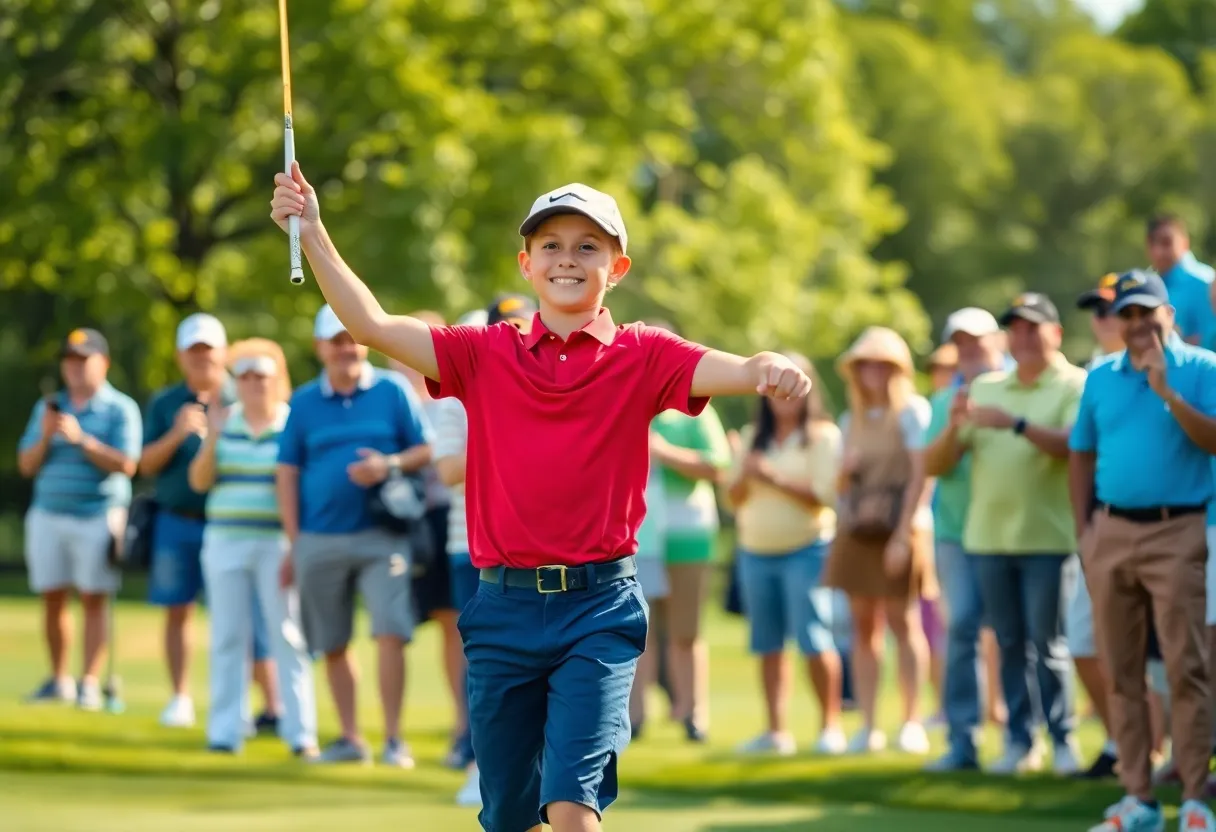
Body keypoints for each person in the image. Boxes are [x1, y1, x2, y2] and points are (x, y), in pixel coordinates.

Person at [269, 167, 811, 832]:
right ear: (526, 264)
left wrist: (767, 367)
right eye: (551, 245)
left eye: (588, 246)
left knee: (571, 803)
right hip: (503, 608)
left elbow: (732, 367)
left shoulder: (645, 354)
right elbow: (372, 324)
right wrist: (314, 230)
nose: (567, 259)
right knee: (509, 816)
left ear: (618, 266)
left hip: (599, 609)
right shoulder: (482, 353)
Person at [1069, 269, 1216, 832]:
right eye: (1126, 314)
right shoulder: (1101, 377)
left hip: (1177, 529)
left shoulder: (1201, 369)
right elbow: (1081, 453)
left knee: (1186, 665)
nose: (1135, 324)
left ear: (1169, 315)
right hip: (1112, 532)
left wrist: (1167, 393)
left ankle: (1196, 799)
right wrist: (1085, 532)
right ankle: (1138, 799)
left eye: (1145, 313)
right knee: (1120, 670)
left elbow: (1213, 441)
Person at [929, 293, 1086, 775]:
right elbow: (938, 465)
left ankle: (1063, 740)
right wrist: (955, 428)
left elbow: (1071, 447)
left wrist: (1015, 424)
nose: (1023, 338)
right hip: (988, 539)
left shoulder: (1075, 384)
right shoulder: (989, 387)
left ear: (1054, 334)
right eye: (1015, 329)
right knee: (1011, 644)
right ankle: (1020, 741)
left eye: (1032, 328)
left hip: (1049, 538)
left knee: (1050, 644)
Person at [276, 304, 433, 767]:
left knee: (390, 632)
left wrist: (387, 464)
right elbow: (287, 471)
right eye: (336, 341)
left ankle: (393, 739)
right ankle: (349, 738)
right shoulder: (303, 402)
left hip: (382, 535)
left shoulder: (392, 390)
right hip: (319, 538)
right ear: (320, 348)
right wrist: (295, 538)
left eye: (351, 339)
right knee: (333, 641)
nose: (346, 348)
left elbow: (424, 449)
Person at [140, 314, 281, 730]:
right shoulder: (166, 403)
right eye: (194, 351)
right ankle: (180, 697)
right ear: (182, 356)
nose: (202, 358)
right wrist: (178, 433)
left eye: (209, 350)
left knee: (253, 615)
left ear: (223, 353)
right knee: (177, 609)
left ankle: (271, 705)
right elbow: (145, 464)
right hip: (178, 519)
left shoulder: (245, 395)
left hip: (239, 525)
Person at [186, 338, 318, 757]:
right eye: (244, 376)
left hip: (276, 543)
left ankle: (301, 734)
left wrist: (297, 548)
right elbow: (199, 482)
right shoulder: (226, 422)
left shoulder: (292, 423)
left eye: (261, 376)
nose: (253, 384)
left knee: (287, 634)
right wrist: (211, 439)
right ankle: (225, 731)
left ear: (276, 380)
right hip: (225, 540)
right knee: (228, 634)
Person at [431, 296, 538, 808]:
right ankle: (480, 761)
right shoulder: (458, 390)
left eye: (524, 325)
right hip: (469, 545)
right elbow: (449, 469)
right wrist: (509, 437)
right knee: (487, 664)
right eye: (506, 327)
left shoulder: (549, 384)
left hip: (532, 548)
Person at [726, 352, 845, 756]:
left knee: (814, 637)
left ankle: (830, 726)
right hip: (755, 551)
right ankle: (776, 732)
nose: (782, 396)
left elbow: (825, 497)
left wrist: (772, 477)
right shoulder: (750, 436)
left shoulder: (824, 436)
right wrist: (744, 471)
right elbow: (734, 498)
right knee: (767, 643)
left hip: (806, 549)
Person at [823, 326, 934, 756]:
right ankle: (869, 723)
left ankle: (912, 720)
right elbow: (840, 485)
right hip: (858, 530)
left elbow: (919, 477)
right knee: (863, 626)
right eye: (865, 364)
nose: (872, 371)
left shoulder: (912, 413)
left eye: (881, 364)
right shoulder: (850, 419)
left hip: (900, 528)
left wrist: (904, 535)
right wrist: (845, 475)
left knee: (903, 621)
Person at [17, 328, 141, 709]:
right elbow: (26, 465)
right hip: (48, 514)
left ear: (102, 363)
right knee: (52, 597)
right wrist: (44, 437)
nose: (73, 367)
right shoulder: (49, 407)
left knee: (93, 598)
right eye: (69, 360)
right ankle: (59, 680)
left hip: (97, 514)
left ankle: (88, 682)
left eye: (82, 359)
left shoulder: (120, 408)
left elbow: (126, 464)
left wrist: (80, 439)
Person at [923, 307, 1009, 772]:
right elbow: (932, 467)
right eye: (961, 341)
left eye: (977, 340)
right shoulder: (942, 402)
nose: (970, 349)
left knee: (1019, 636)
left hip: (1010, 533)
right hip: (956, 533)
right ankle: (963, 743)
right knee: (961, 631)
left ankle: (1023, 738)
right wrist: (956, 425)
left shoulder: (1016, 390)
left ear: (997, 341)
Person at [647, 320, 733, 743]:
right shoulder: (627, 401)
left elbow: (717, 465)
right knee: (636, 632)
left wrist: (663, 451)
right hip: (635, 537)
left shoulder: (695, 408)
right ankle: (632, 718)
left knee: (685, 631)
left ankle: (692, 713)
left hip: (688, 535)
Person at [388, 312, 464, 771]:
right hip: (409, 522)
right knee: (420, 624)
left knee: (455, 626)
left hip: (445, 520)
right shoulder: (400, 401)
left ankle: (463, 727)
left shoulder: (449, 396)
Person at [1144, 213, 1214, 346]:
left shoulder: (1205, 283)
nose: (1159, 251)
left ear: (1184, 242)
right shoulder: (1149, 285)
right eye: (1152, 243)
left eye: (1166, 242)